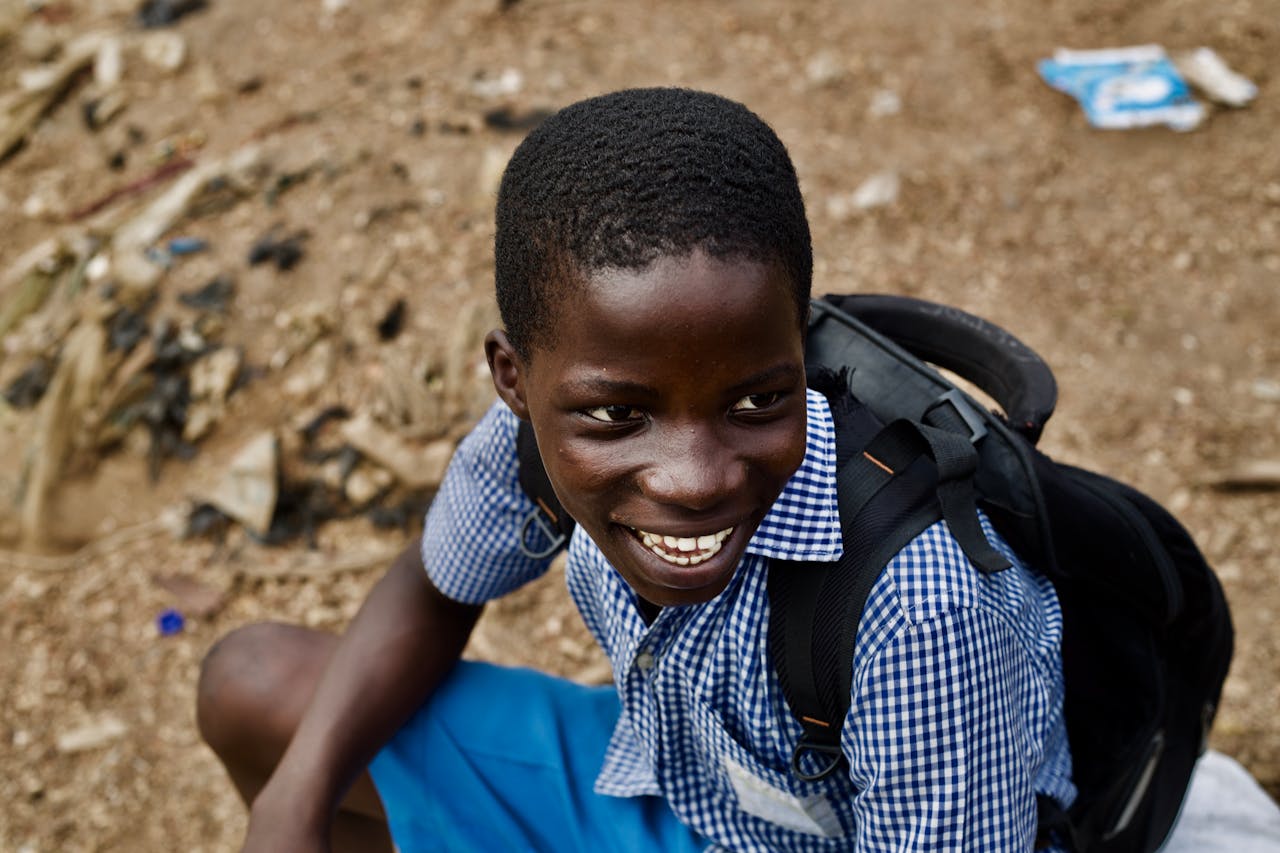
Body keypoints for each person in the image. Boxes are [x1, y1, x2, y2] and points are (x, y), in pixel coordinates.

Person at [197, 87, 1210, 851]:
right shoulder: (539, 437)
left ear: (799, 358)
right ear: (515, 378)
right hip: (692, 800)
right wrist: (296, 801)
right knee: (257, 689)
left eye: (754, 401)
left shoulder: (919, 610)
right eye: (616, 414)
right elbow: (434, 584)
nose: (690, 475)